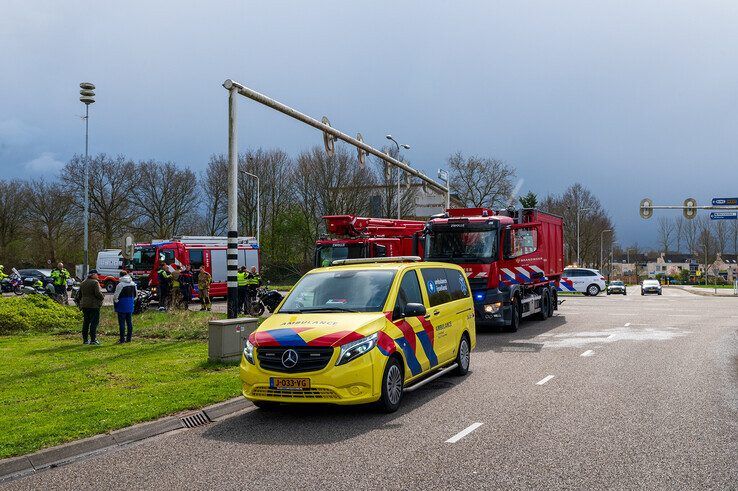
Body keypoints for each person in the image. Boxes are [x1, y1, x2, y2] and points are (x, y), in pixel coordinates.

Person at [79, 269, 104, 345]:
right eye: (96, 274)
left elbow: (80, 295)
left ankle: (85, 340)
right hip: (94, 305)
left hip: (85, 305)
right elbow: (97, 293)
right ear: (93, 275)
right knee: (94, 322)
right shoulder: (95, 282)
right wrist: (102, 297)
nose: (97, 276)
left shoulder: (83, 283)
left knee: (86, 322)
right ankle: (93, 339)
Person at [113, 270, 137, 343]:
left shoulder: (120, 285)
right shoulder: (133, 283)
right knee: (129, 322)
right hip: (130, 303)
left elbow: (116, 296)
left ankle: (122, 339)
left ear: (120, 276)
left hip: (122, 304)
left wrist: (116, 302)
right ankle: (129, 338)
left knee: (122, 323)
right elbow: (136, 295)